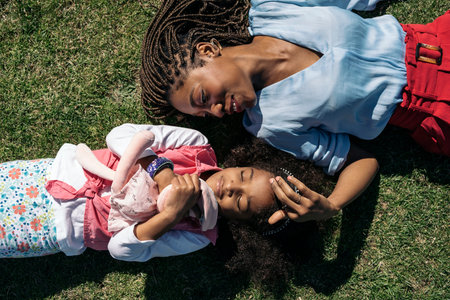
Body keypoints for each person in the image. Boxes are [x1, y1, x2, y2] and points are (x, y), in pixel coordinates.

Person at [140, 0, 450, 224]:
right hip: (436, 112)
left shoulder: (271, 9)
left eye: (203, 96)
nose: (217, 112)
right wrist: (331, 204)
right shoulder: (270, 124)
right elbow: (361, 160)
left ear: (208, 50)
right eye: (205, 114)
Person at [0, 124, 330, 269]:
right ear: (245, 163)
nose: (231, 187)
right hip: (53, 175)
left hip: (55, 228)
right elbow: (120, 135)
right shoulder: (196, 145)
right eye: (244, 176)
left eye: (240, 202)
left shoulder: (198, 235)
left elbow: (120, 250)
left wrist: (170, 216)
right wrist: (163, 171)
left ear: (238, 221)